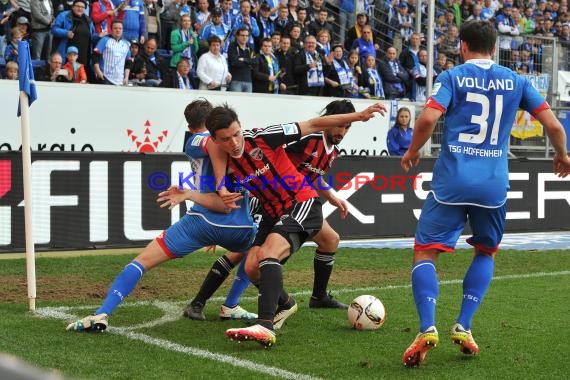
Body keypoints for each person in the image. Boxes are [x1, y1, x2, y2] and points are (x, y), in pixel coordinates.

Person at [400, 20, 570, 368]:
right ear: (495, 47)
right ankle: (464, 326)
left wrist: (414, 149)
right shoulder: (517, 80)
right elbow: (553, 125)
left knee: (425, 251)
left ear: (462, 45)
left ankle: (426, 327)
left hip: (451, 181)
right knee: (486, 251)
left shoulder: (452, 76)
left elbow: (429, 118)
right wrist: (562, 154)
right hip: (493, 184)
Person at [65, 99, 257, 333]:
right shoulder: (233, 141)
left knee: (141, 262)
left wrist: (193, 193)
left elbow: (210, 144)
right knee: (258, 245)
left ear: (190, 127)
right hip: (240, 227)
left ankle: (102, 313)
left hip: (203, 221)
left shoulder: (196, 139)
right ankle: (232, 304)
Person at [204, 101, 387, 347]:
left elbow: (312, 124)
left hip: (300, 202)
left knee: (272, 253)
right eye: (226, 139)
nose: (234, 143)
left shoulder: (263, 138)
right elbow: (200, 148)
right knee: (250, 267)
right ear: (215, 141)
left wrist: (360, 115)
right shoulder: (223, 161)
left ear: (241, 127)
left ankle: (265, 324)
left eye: (236, 134)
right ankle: (286, 303)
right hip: (271, 211)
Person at [176, 99, 358, 321]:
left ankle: (318, 297)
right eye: (341, 124)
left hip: (295, 203)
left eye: (347, 127)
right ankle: (204, 302)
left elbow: (310, 176)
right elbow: (276, 158)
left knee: (330, 240)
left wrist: (332, 196)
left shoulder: (331, 152)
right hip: (268, 200)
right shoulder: (306, 140)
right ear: (329, 121)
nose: (342, 130)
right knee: (244, 251)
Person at [51, 0, 96, 66]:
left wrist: (99, 36)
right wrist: (66, 33)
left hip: (83, 58)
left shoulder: (88, 20)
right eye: (77, 6)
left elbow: (92, 35)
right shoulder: (63, 15)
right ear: (72, 7)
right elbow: (54, 29)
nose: (80, 8)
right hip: (66, 56)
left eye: (82, 7)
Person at [93, 19, 132, 85]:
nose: (118, 30)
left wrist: (126, 77)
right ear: (111, 29)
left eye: (120, 28)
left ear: (122, 30)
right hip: (105, 77)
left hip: (120, 80)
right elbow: (95, 56)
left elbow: (128, 62)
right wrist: (98, 71)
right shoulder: (104, 40)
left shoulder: (127, 44)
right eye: (115, 28)